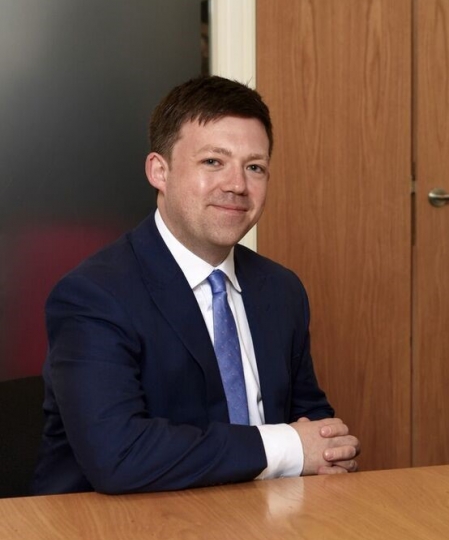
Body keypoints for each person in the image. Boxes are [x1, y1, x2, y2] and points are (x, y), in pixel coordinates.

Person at [33, 75, 360, 494]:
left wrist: (327, 450)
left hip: (260, 515)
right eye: (213, 162)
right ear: (159, 171)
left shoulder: (281, 289)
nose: (237, 185)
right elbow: (118, 455)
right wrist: (288, 447)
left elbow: (313, 425)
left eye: (254, 167)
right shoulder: (93, 295)